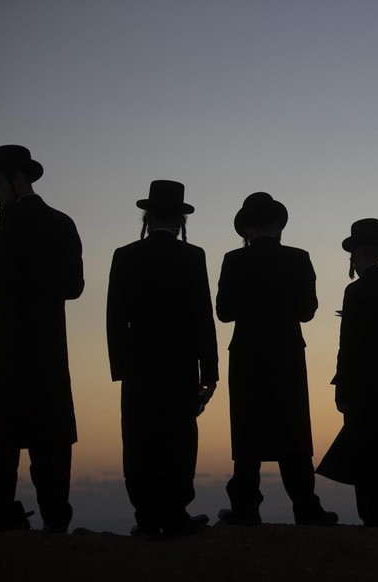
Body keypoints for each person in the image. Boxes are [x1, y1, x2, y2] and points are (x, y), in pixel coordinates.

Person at [0, 145, 83, 532]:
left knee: (1, 429)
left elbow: (9, 278)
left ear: (18, 180)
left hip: (11, 341)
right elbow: (74, 286)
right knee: (49, 432)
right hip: (48, 341)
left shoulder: (12, 218)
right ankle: (55, 517)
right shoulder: (63, 222)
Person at [215, 192, 337, 526]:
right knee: (293, 429)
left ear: (247, 231)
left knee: (246, 431)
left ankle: (245, 508)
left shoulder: (234, 260)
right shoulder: (298, 258)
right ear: (278, 227)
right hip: (286, 352)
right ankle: (306, 507)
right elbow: (308, 311)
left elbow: (224, 312)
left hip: (247, 354)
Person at [106, 180, 217, 539]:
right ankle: (175, 513)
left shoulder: (125, 255)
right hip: (181, 362)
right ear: (181, 220)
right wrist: (210, 371)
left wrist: (120, 365)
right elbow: (204, 315)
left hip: (138, 362)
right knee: (179, 437)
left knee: (139, 437)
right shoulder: (192, 255)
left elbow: (114, 316)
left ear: (147, 215)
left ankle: (146, 516)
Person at [317, 218, 378, 527]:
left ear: (356, 256)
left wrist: (342, 388)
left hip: (362, 383)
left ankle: (370, 515)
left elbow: (347, 346)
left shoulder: (356, 291)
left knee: (365, 448)